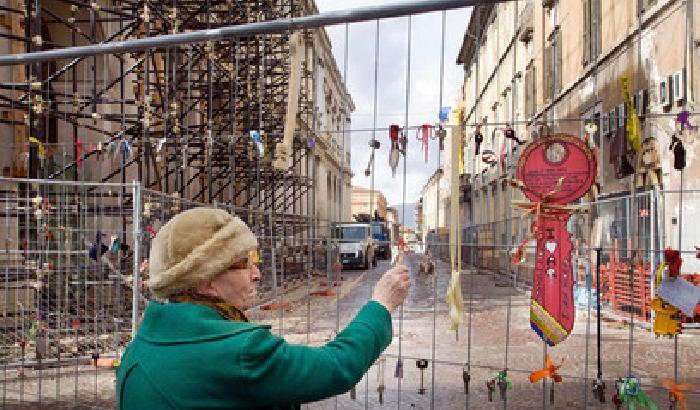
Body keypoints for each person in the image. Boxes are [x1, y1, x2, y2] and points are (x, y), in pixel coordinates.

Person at [116, 207, 410, 409]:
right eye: (243, 264)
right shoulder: (240, 350)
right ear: (205, 283)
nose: (256, 273)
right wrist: (380, 304)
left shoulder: (137, 349)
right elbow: (337, 367)